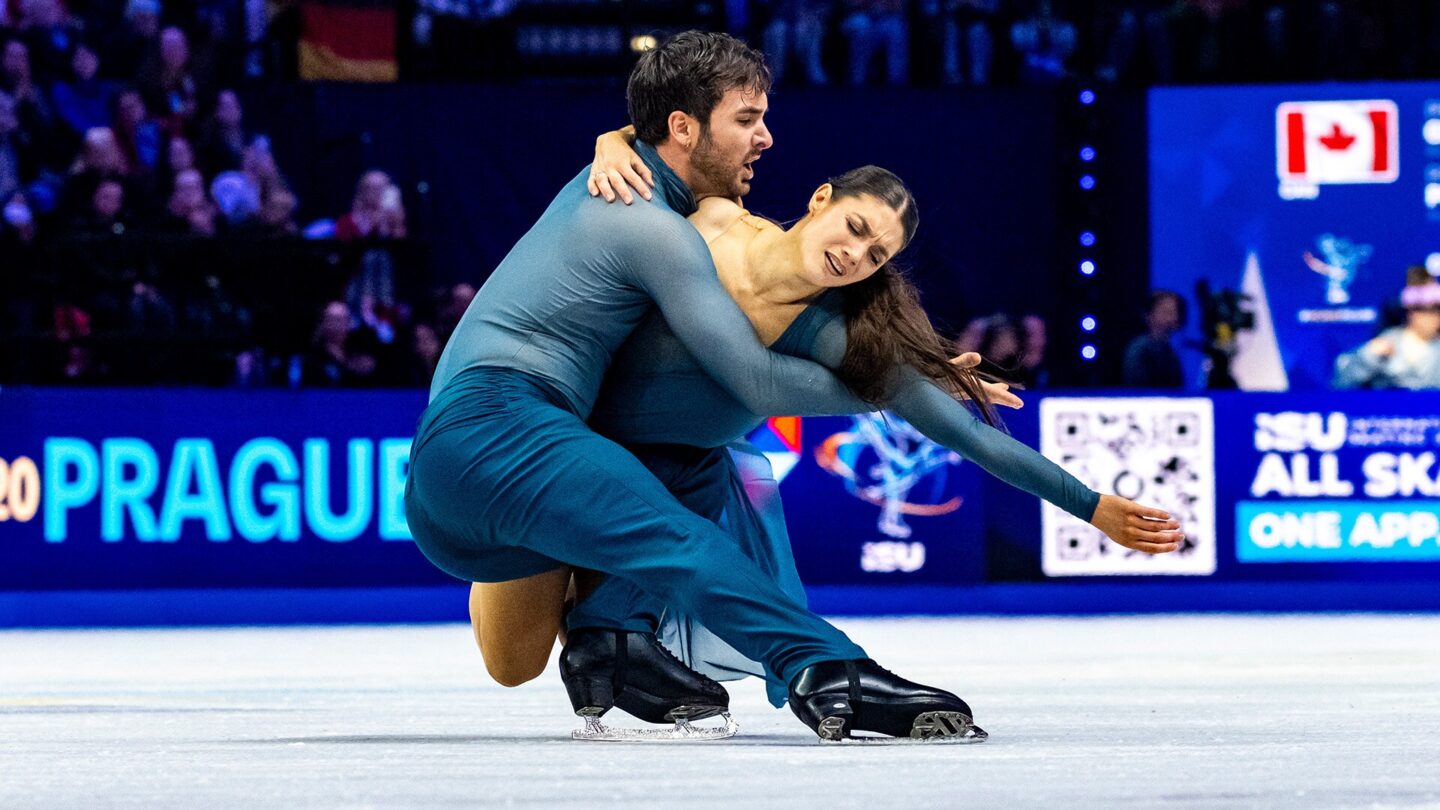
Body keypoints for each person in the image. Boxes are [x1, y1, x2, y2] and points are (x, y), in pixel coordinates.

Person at [406, 31, 1183, 741]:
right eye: (747, 118)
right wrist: (880, 386)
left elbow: (963, 432)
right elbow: (748, 376)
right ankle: (826, 667)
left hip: (498, 472)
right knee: (683, 532)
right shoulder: (665, 225)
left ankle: (610, 641)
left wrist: (1089, 503)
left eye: (878, 253)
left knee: (675, 489)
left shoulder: (652, 193)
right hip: (494, 429)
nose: (766, 136)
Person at [1333, 267, 1440, 389]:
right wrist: (1368, 356)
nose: (1431, 316)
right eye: (1421, 308)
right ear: (1410, 311)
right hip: (1386, 407)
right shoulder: (1387, 343)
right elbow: (1340, 384)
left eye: (1437, 309)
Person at [1123, 289, 1186, 388]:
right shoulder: (1139, 349)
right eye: (1166, 311)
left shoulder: (1171, 350)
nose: (1173, 317)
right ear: (1148, 315)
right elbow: (1136, 386)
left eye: (1175, 311)